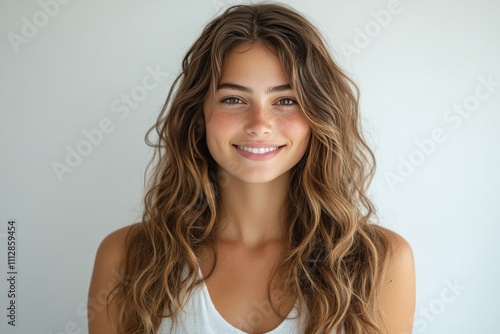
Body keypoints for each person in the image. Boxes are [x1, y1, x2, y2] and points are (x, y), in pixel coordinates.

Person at [88, 3, 415, 334]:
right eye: (233, 99)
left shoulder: (380, 262)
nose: (260, 124)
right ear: (198, 116)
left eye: (285, 101)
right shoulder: (126, 257)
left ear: (319, 117)